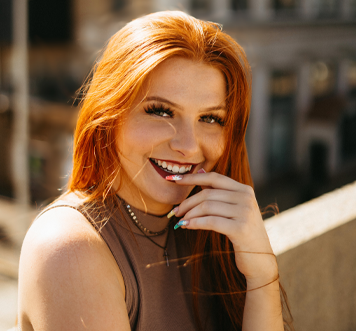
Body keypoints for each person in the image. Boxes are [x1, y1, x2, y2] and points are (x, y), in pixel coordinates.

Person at [17, 11, 293, 331]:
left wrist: (262, 274)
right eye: (160, 111)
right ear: (110, 116)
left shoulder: (209, 231)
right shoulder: (70, 249)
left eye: (210, 118)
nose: (188, 146)